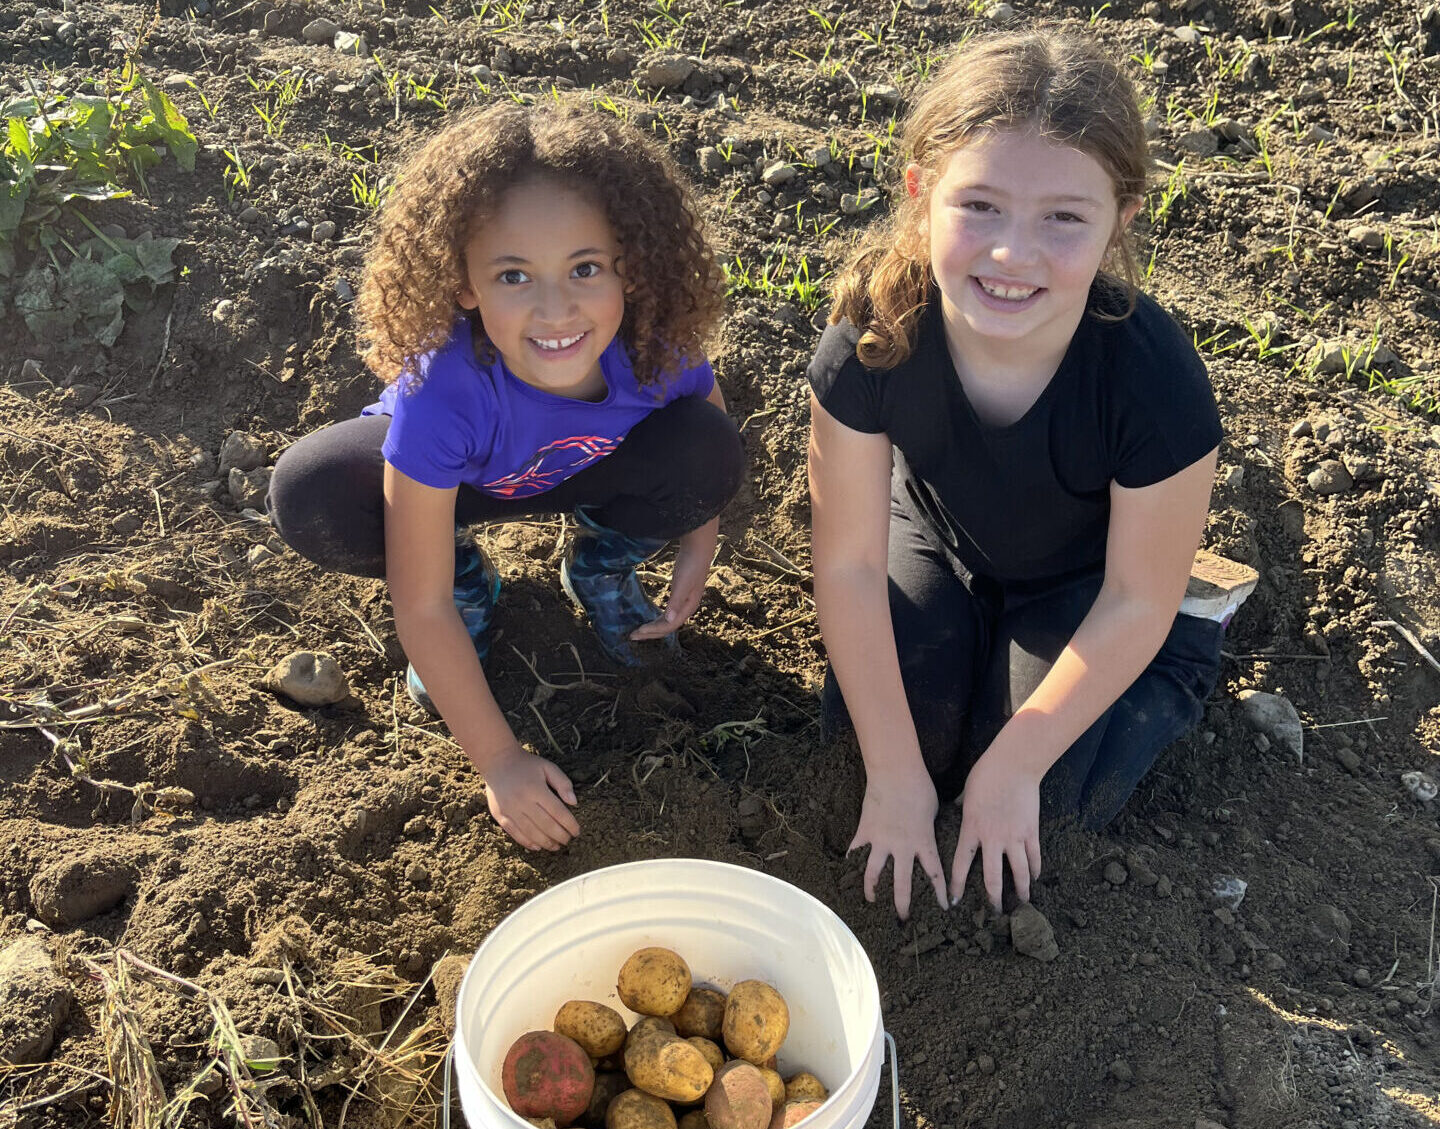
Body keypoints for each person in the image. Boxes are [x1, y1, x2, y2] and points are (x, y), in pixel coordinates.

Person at [807, 26, 1226, 921]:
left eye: (1063, 218)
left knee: (1043, 814)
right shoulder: (870, 343)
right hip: (935, 540)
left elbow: (1134, 599)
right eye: (981, 206)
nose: (1011, 254)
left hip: (1091, 586)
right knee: (885, 760)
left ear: (1122, 216)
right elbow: (846, 564)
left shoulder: (1152, 382)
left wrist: (1016, 765)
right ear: (923, 196)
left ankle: (1195, 650)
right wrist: (892, 770)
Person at [269, 103, 742, 854]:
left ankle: (602, 566)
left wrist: (697, 547)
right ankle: (473, 588)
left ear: (631, 263)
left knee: (708, 446)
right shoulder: (445, 391)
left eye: (585, 268)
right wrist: (501, 761)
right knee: (314, 490)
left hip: (589, 469)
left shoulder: (653, 348)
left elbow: (709, 438)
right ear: (464, 285)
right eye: (514, 275)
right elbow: (415, 604)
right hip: (460, 487)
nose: (556, 309)